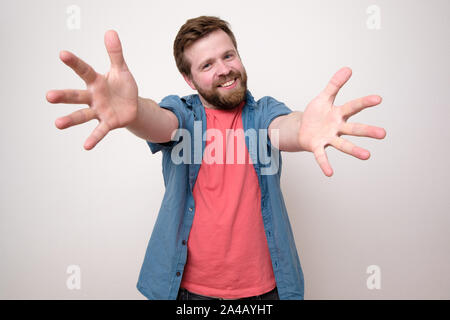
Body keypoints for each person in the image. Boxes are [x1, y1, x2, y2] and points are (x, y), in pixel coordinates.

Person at [46, 16, 386, 300]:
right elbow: (159, 122)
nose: (224, 69)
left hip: (265, 292)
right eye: (207, 65)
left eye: (229, 56)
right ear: (189, 79)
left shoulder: (263, 112)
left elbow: (286, 128)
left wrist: (305, 129)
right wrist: (133, 114)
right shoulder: (183, 113)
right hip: (187, 292)